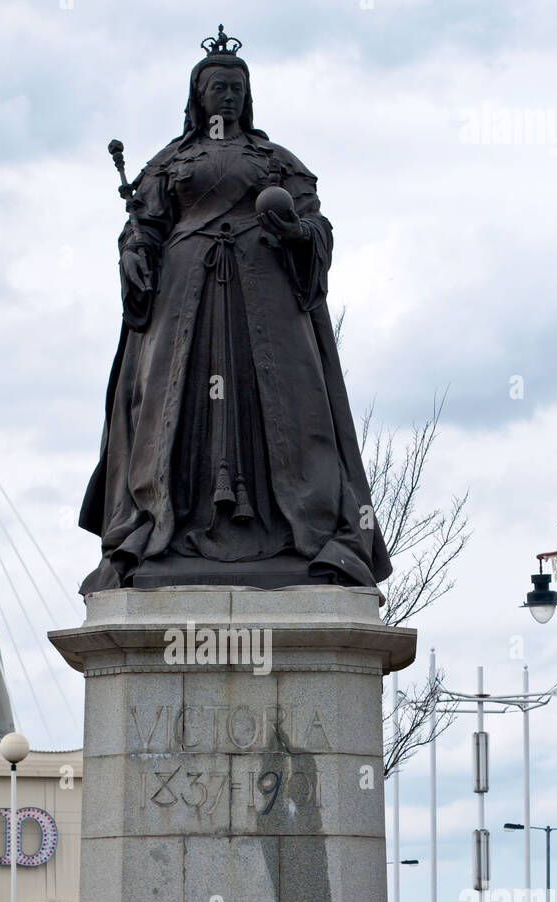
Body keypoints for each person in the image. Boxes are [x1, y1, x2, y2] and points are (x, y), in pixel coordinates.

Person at [79, 28, 392, 594]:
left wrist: (298, 232)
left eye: (236, 88)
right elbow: (144, 228)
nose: (227, 97)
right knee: (174, 404)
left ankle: (298, 533)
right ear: (198, 98)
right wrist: (132, 255)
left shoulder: (277, 161)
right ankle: (168, 531)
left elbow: (316, 221)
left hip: (264, 298)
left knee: (284, 408)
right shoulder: (168, 162)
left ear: (248, 97)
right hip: (185, 301)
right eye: (217, 87)